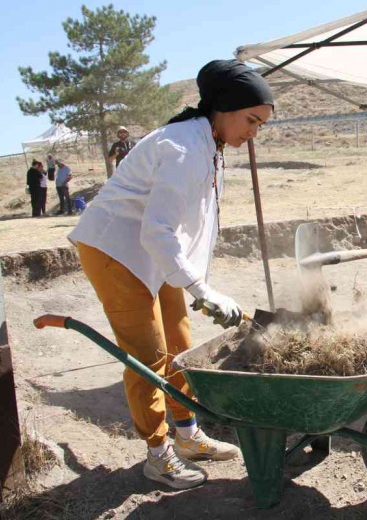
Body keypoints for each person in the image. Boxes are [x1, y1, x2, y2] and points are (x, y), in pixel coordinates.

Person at [68, 59, 275, 489]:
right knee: (148, 356)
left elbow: (190, 224)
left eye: (261, 124)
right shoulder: (183, 148)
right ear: (225, 107)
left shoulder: (209, 143)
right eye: (251, 120)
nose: (254, 132)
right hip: (116, 250)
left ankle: (187, 435)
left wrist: (198, 287)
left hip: (154, 254)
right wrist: (199, 287)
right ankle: (158, 454)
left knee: (180, 345)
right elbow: (156, 228)